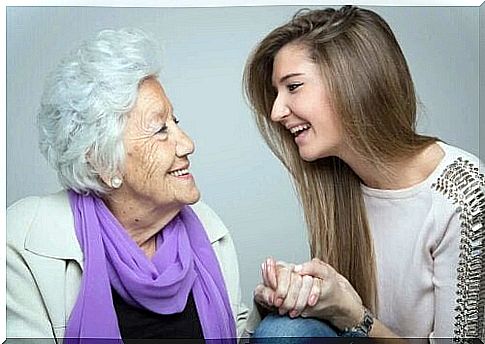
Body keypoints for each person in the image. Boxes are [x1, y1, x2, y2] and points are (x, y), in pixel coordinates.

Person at [243, 5, 484, 341]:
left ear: (352, 82)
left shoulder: (462, 193)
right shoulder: (337, 182)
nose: (275, 111)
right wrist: (295, 292)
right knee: (282, 330)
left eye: (293, 86)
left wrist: (353, 314)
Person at [7, 28, 248, 342]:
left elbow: (239, 332)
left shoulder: (208, 227)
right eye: (160, 129)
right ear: (103, 163)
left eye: (176, 122)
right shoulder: (24, 237)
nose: (187, 144)